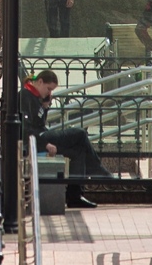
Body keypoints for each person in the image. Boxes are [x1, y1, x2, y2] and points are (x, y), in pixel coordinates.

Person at [19, 70, 113, 208]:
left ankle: (75, 196)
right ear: (40, 82)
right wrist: (45, 144)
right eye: (48, 88)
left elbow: (39, 122)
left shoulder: (37, 97)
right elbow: (26, 128)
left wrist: (45, 106)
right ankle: (97, 169)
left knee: (78, 151)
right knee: (80, 133)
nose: (49, 93)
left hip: (41, 136)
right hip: (36, 140)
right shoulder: (25, 96)